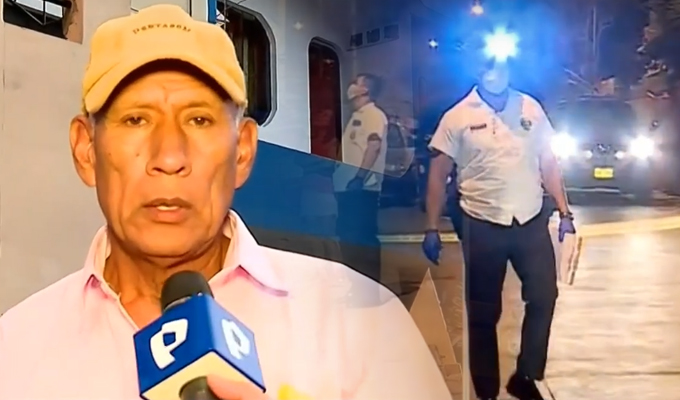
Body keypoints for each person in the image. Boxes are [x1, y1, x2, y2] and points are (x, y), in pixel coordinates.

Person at [0, 6, 451, 400]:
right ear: (86, 150)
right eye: (136, 119)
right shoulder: (15, 347)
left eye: (198, 120)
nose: (169, 157)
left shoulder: (366, 331)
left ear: (243, 152)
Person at [422, 60, 575, 400]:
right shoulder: (457, 116)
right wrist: (431, 227)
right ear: (477, 72)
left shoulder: (530, 108)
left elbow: (548, 162)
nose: (496, 73)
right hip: (481, 222)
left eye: (502, 66)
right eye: (489, 67)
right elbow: (438, 174)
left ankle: (527, 375)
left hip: (529, 220)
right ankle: (486, 390)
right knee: (483, 312)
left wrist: (564, 211)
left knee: (544, 296)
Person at [333, 74, 388, 284]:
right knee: (348, 238)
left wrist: (359, 177)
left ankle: (368, 287)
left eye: (357, 83)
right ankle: (356, 286)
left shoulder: (373, 115)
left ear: (365, 90)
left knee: (361, 238)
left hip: (361, 189)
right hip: (348, 188)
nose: (351, 86)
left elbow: (374, 146)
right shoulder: (357, 116)